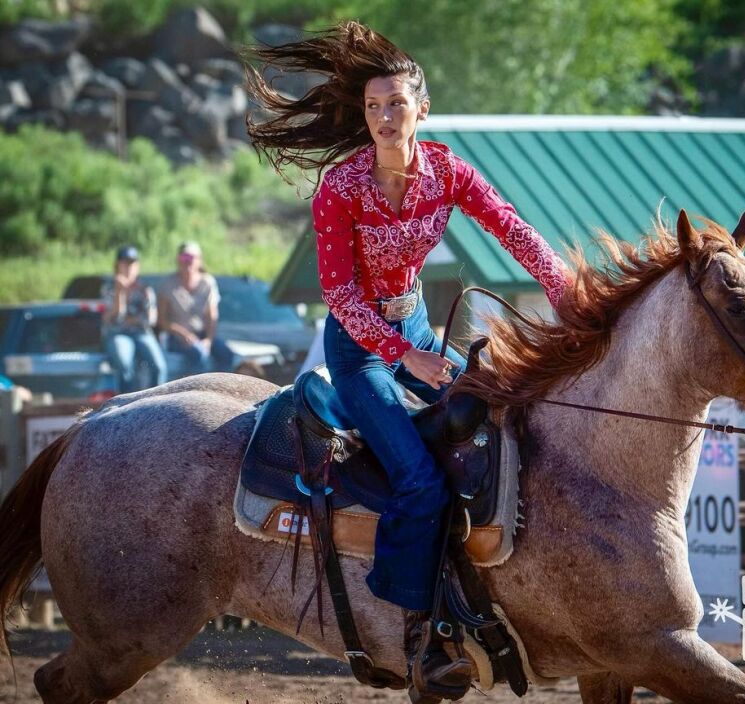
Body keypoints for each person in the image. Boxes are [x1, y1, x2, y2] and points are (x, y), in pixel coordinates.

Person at [245, 21, 571, 695]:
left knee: (494, 426)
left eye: (396, 103)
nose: (385, 117)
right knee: (419, 479)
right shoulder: (340, 188)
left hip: (416, 325)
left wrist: (562, 286)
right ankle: (415, 633)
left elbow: (510, 226)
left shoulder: (448, 172)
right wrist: (404, 355)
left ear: (422, 108)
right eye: (374, 106)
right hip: (359, 350)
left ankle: (484, 591)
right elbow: (340, 296)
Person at [157, 242, 234, 375]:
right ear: (178, 260)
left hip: (202, 333)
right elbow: (162, 321)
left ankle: (223, 386)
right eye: (184, 258)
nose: (187, 262)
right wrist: (184, 334)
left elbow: (212, 315)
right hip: (176, 336)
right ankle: (195, 387)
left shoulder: (207, 283)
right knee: (198, 353)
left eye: (191, 258)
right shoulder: (168, 284)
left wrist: (209, 340)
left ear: (199, 260)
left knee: (226, 353)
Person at [102, 245, 167, 392]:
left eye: (132, 264)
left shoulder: (145, 288)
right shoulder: (109, 288)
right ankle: (126, 402)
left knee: (159, 367)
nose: (129, 268)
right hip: (118, 333)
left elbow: (151, 319)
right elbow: (115, 317)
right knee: (124, 364)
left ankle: (157, 400)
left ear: (138, 266)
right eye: (125, 263)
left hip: (141, 333)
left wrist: (131, 320)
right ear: (117, 266)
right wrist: (120, 292)